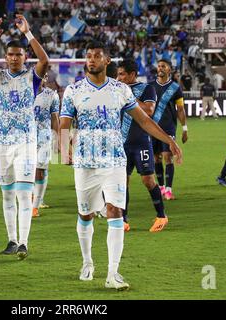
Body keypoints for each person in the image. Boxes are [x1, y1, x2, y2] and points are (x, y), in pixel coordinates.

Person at [59, 41, 182, 290]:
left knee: (115, 211)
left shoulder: (121, 90)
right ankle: (87, 262)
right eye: (89, 56)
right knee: (86, 214)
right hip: (85, 162)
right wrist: (64, 151)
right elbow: (63, 125)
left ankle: (113, 274)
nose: (92, 60)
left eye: (97, 56)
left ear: (107, 61)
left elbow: (145, 121)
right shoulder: (73, 91)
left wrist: (169, 140)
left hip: (115, 160)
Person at [0, 15, 49, 260]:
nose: (15, 58)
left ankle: (24, 242)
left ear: (24, 57)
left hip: (26, 143)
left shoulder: (32, 77)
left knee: (24, 194)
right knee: (6, 194)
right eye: (11, 54)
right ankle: (11, 240)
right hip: (2, 144)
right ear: (5, 57)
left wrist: (28, 33)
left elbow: (45, 60)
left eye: (19, 54)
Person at [117, 59, 169, 233]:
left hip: (142, 143)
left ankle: (161, 216)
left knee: (148, 180)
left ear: (132, 74)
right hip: (122, 143)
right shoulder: (116, 90)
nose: (118, 77)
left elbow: (148, 110)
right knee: (123, 182)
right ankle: (123, 219)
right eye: (117, 74)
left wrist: (129, 97)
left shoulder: (147, 89)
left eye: (122, 74)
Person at [150, 59, 188, 201]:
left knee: (168, 157)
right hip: (152, 127)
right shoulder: (150, 86)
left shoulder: (175, 88)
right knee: (156, 158)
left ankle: (169, 190)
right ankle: (160, 188)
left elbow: (180, 109)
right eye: (159, 66)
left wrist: (185, 128)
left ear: (169, 70)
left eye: (163, 66)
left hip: (168, 127)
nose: (160, 68)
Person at [32, 75, 60, 218]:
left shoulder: (51, 95)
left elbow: (55, 119)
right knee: (27, 171)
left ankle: (35, 206)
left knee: (40, 171)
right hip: (26, 139)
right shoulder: (23, 94)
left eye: (44, 76)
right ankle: (32, 198)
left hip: (44, 138)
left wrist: (59, 139)